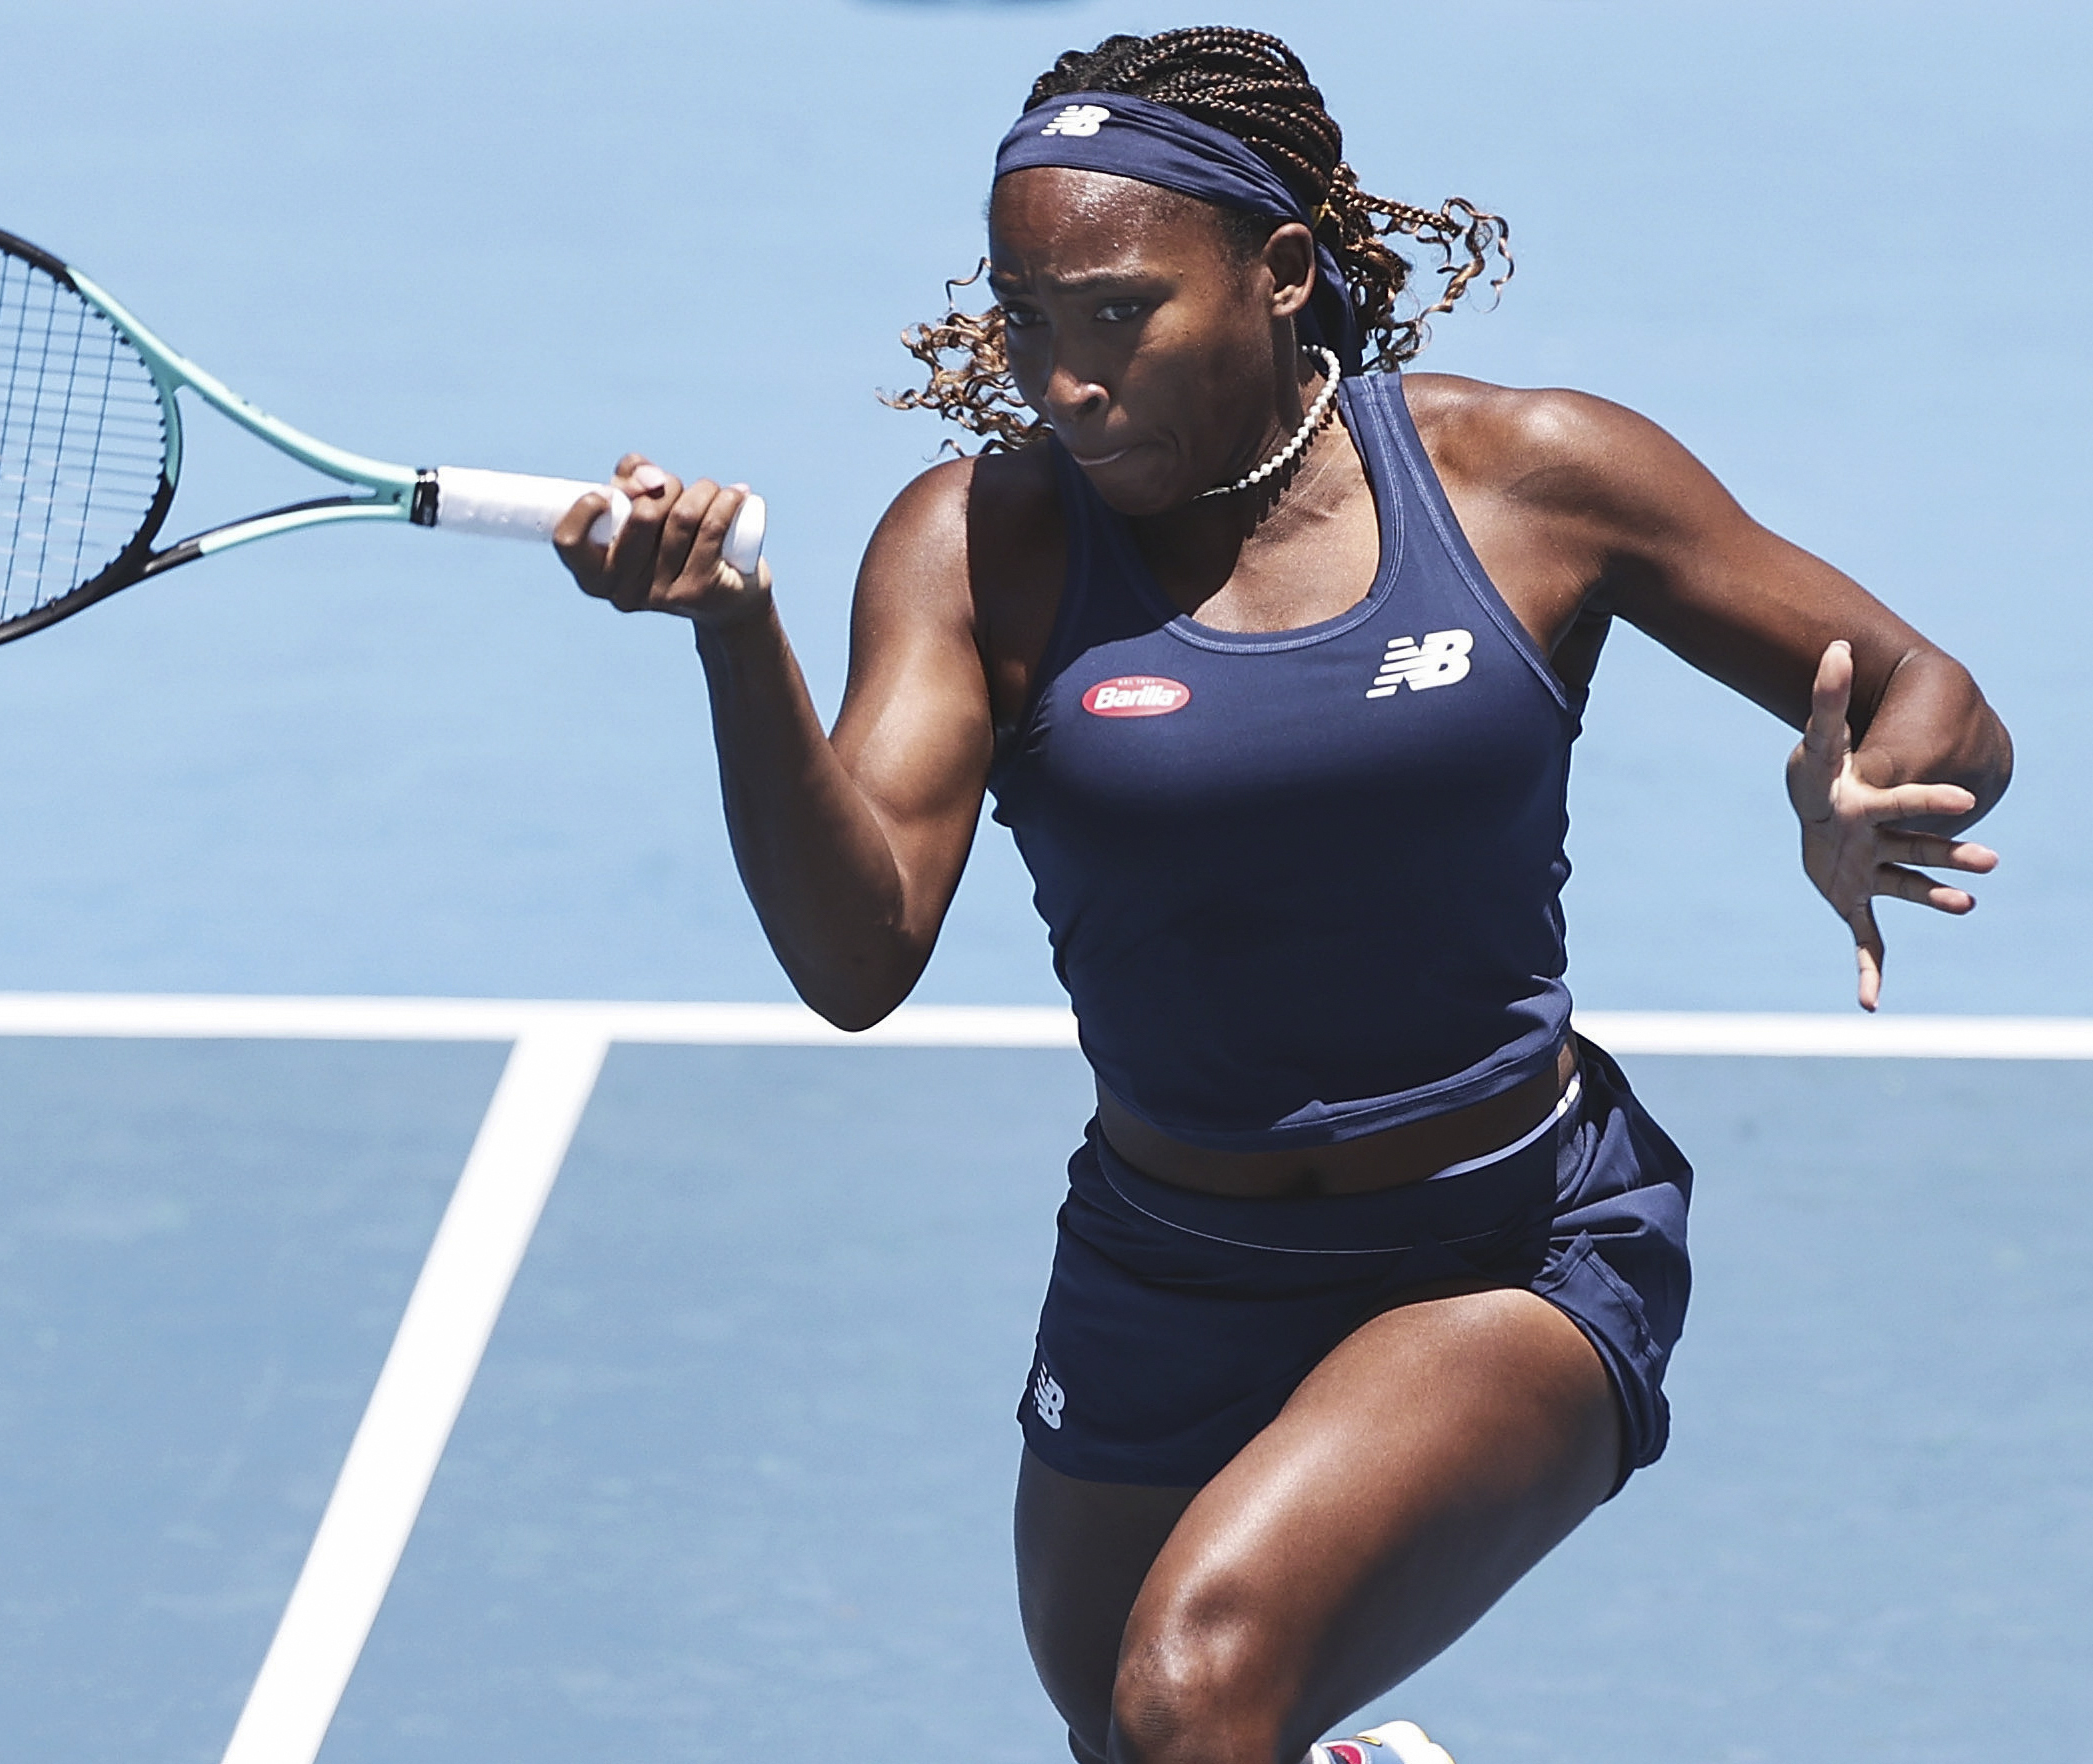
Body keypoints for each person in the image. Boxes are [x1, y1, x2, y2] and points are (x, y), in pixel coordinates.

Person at [554, 25, 2012, 1764]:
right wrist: (735, 634)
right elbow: (856, 955)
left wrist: (1868, 790)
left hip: (1504, 1239)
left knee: (1193, 1700)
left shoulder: (1528, 475)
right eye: (1027, 318)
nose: (1062, 378)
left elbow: (1930, 687)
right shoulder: (971, 547)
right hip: (1164, 1258)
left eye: (1117, 313)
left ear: (1281, 274)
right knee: (1129, 1731)